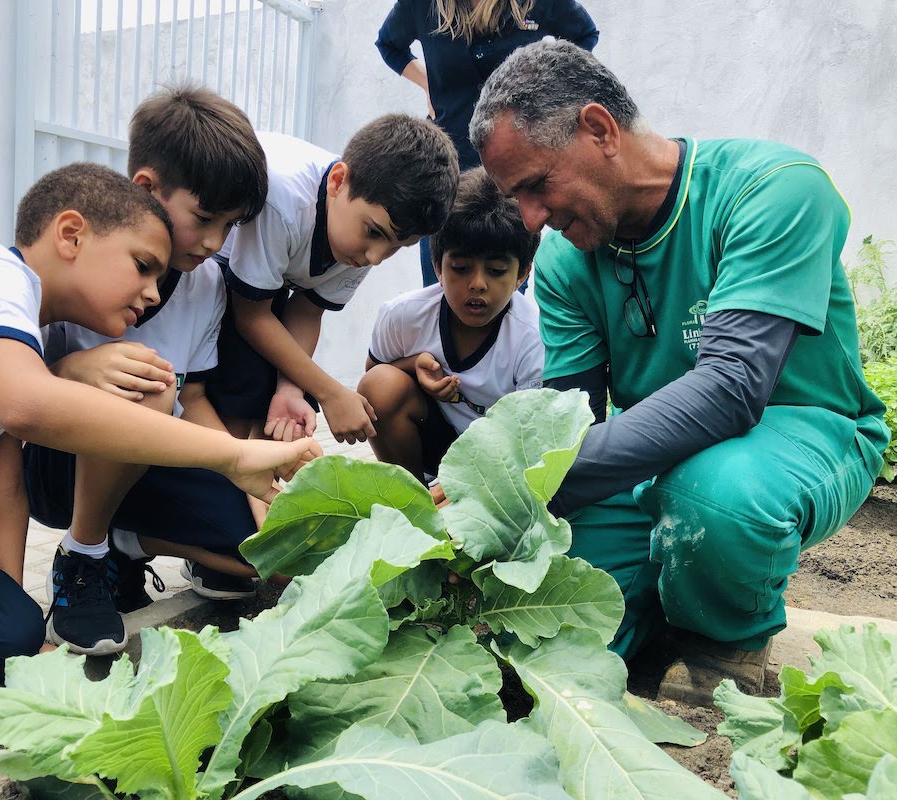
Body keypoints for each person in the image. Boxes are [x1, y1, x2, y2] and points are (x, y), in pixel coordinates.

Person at [0, 163, 320, 754]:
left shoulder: (14, 344)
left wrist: (6, 642)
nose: (151, 292)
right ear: (71, 234)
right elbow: (26, 405)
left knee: (12, 633)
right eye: (142, 266)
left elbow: (4, 492)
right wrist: (232, 455)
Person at [469, 40, 888, 704]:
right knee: (546, 623)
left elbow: (732, 389)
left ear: (598, 129)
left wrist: (534, 482)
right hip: (653, 464)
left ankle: (722, 646)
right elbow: (567, 422)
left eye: (535, 185)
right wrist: (490, 501)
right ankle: (661, 615)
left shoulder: (770, 188)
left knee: (712, 496)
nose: (529, 220)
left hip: (805, 432)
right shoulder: (565, 264)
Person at [24, 86, 272, 658]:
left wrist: (249, 473)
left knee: (264, 550)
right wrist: (71, 368)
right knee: (149, 385)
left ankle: (125, 545)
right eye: (205, 218)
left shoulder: (207, 283)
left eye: (230, 226)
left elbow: (199, 396)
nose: (214, 243)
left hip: (151, 459)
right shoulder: (78, 257)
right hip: (60, 468)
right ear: (147, 189)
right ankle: (82, 559)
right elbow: (9, 388)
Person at [206, 114, 460, 450]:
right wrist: (330, 392)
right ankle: (229, 475)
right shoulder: (284, 199)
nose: (376, 258)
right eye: (375, 233)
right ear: (338, 182)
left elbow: (307, 312)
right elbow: (250, 317)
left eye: (398, 247)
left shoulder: (363, 230)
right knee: (246, 372)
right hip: (207, 264)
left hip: (262, 286)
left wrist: (290, 389)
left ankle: (252, 479)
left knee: (282, 394)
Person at [376, 0, 598, 286]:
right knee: (441, 287)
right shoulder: (422, 5)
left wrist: (546, 95)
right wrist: (428, 82)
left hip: (514, 175)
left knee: (504, 287)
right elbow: (389, 44)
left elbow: (584, 34)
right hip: (446, 174)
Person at [358, 167, 542, 484]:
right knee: (380, 386)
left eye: (497, 270)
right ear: (438, 266)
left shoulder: (533, 340)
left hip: (505, 463)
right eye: (460, 267)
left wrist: (471, 487)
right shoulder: (402, 316)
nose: (478, 284)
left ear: (522, 274)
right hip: (435, 443)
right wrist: (413, 365)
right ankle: (412, 501)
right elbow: (373, 379)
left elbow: (533, 445)